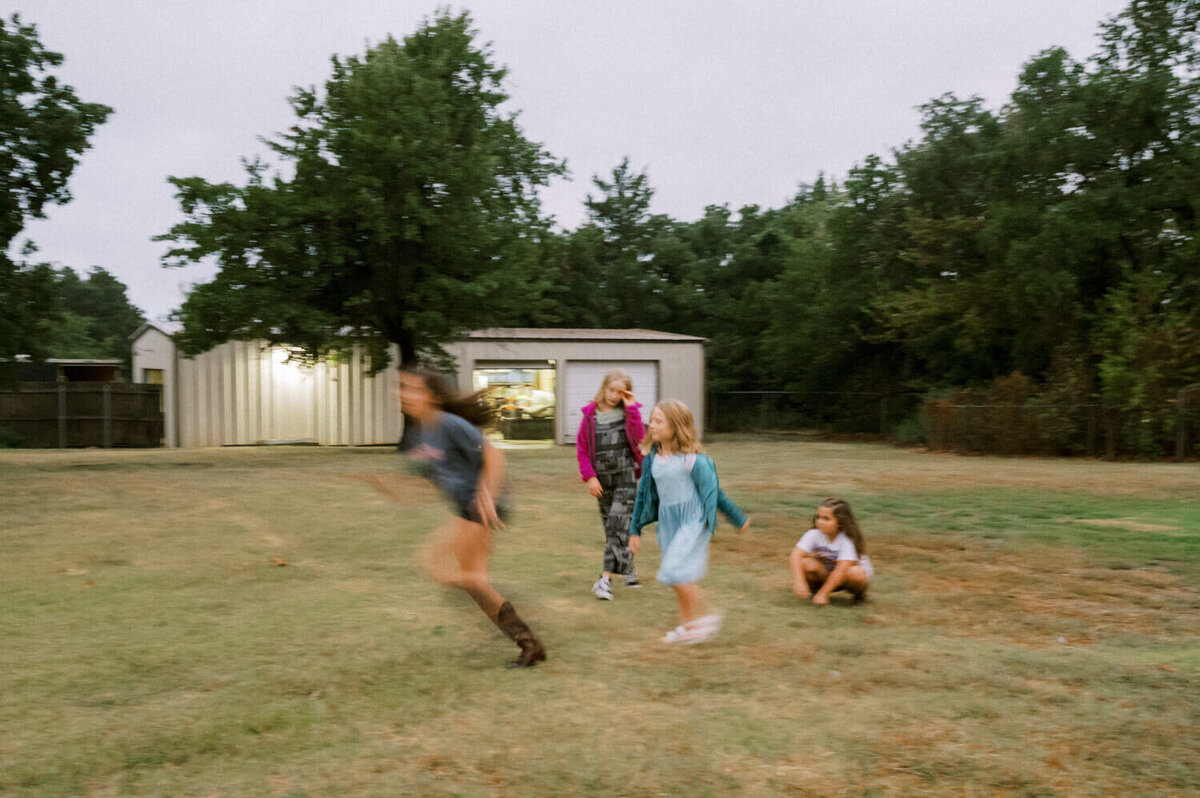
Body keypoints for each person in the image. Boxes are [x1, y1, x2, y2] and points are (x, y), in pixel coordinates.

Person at [394, 368, 546, 668]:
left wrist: (486, 494)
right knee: (465, 580)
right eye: (403, 388)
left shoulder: (449, 424)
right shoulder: (419, 434)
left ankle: (520, 624)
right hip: (464, 508)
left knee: (444, 571)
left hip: (483, 506)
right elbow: (425, 476)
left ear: (433, 397)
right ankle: (529, 643)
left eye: (413, 389)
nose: (405, 394)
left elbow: (494, 455)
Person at [630, 399, 749, 644]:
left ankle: (708, 614)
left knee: (672, 571)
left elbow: (715, 493)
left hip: (692, 520)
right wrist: (635, 530)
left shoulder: (692, 460)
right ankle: (688, 628)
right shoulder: (652, 460)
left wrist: (737, 518)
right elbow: (643, 497)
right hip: (668, 523)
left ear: (676, 426)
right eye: (651, 419)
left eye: (658, 421)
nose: (651, 425)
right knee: (679, 577)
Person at [576, 369, 646, 600]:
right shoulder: (589, 416)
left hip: (625, 476)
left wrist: (632, 408)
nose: (615, 395)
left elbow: (640, 439)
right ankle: (628, 568)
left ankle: (604, 581)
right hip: (601, 480)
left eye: (620, 392)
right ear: (604, 388)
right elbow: (583, 450)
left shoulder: (629, 414)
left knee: (618, 524)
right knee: (612, 528)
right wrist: (590, 477)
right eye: (612, 390)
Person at [790, 497, 872, 605]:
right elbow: (795, 555)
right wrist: (799, 581)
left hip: (845, 578)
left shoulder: (847, 540)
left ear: (840, 523)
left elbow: (841, 569)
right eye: (818, 517)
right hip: (827, 574)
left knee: (856, 572)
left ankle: (859, 597)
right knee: (806, 563)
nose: (820, 522)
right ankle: (814, 591)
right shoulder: (813, 534)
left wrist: (824, 594)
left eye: (826, 519)